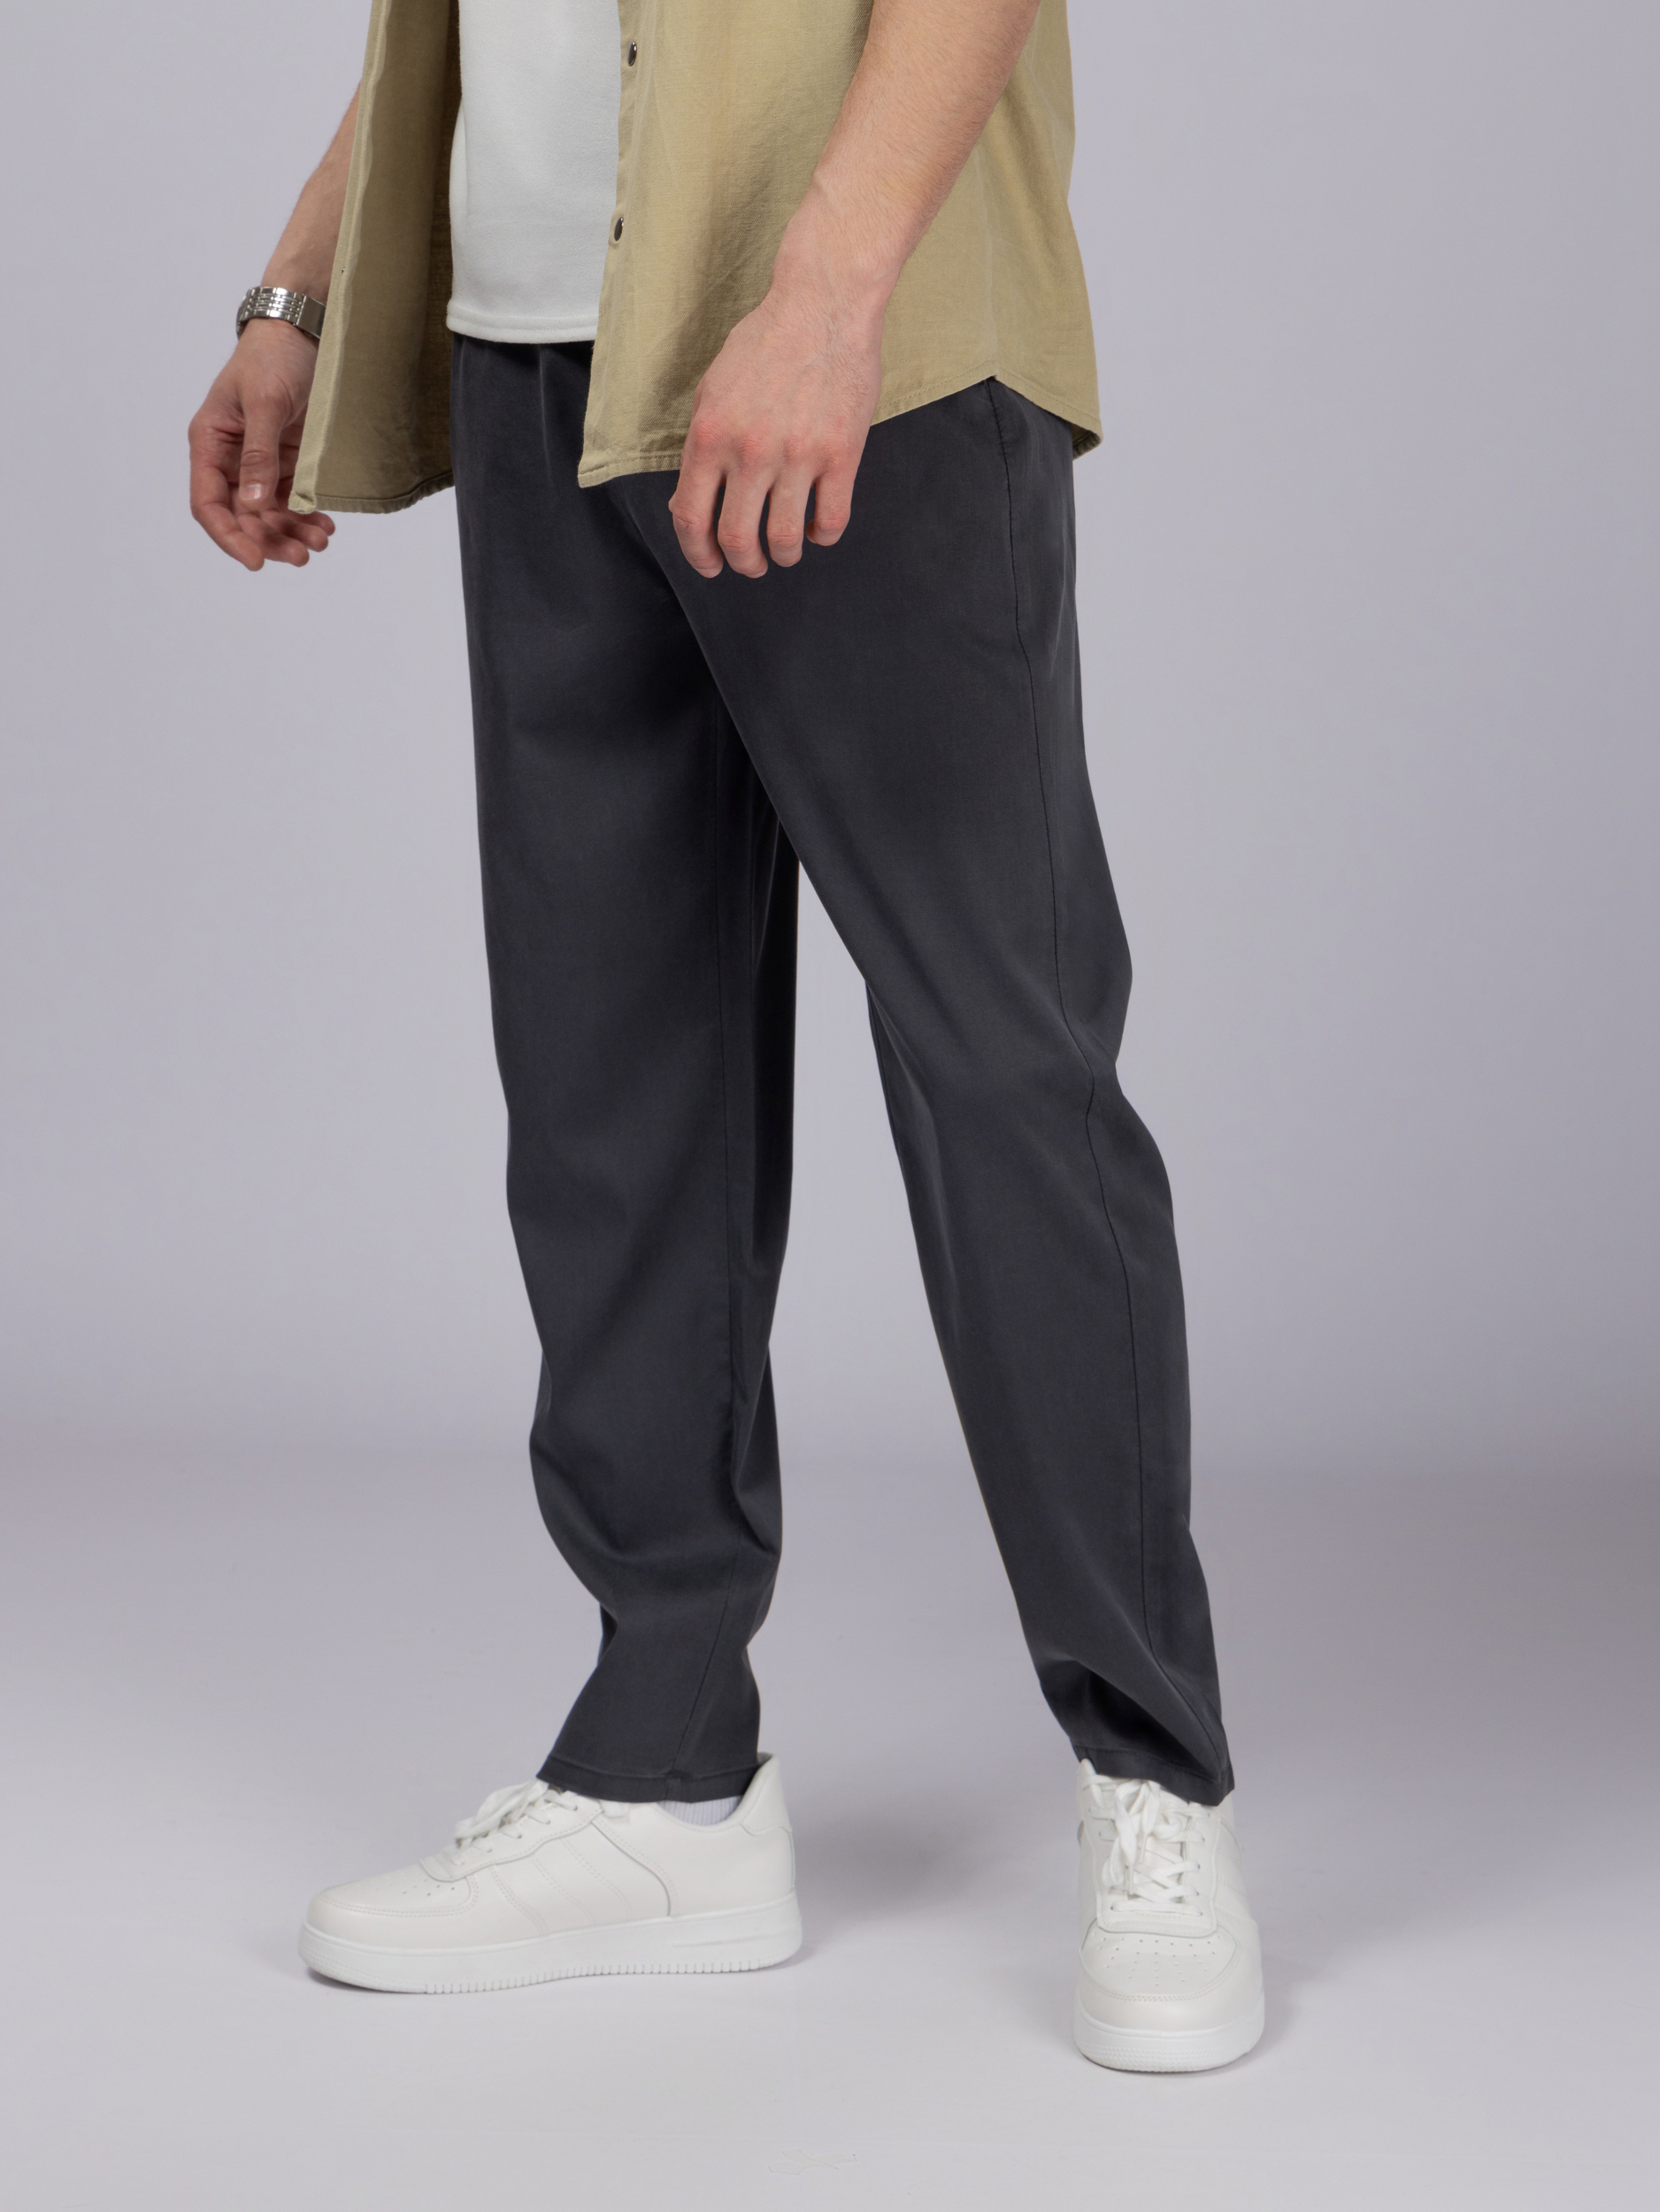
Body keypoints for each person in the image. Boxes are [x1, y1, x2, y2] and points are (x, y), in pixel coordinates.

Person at [188, 0, 1264, 2073]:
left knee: (999, 1055)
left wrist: (829, 289)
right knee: (606, 1075)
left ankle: (1155, 1771)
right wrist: (303, 284)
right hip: (531, 349)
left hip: (848, 337)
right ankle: (660, 1768)